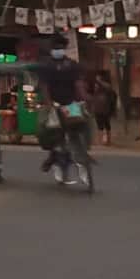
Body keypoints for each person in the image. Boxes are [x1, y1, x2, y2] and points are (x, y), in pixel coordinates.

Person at [35, 36, 89, 181]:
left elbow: (79, 84)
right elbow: (44, 87)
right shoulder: (46, 66)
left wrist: (85, 99)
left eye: (60, 48)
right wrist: (49, 104)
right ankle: (54, 157)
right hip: (53, 104)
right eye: (56, 48)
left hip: (70, 104)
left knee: (79, 127)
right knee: (48, 130)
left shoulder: (72, 65)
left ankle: (82, 162)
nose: (58, 50)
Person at [90, 69, 118, 146]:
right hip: (98, 108)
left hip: (105, 108)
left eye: (98, 76)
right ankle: (100, 141)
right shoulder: (97, 86)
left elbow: (109, 89)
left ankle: (107, 141)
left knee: (106, 124)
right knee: (100, 125)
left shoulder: (106, 86)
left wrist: (99, 81)